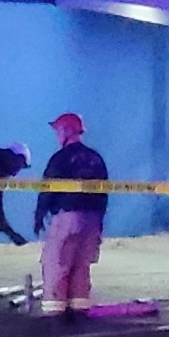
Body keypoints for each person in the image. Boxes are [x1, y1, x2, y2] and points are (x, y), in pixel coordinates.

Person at [33, 112, 109, 321]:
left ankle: (55, 312)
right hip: (93, 219)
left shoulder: (61, 158)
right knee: (81, 265)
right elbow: (104, 192)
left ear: (67, 131)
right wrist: (99, 222)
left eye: (58, 130)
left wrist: (39, 214)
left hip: (68, 218)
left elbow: (48, 189)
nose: (57, 135)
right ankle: (79, 310)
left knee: (57, 262)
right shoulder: (96, 159)